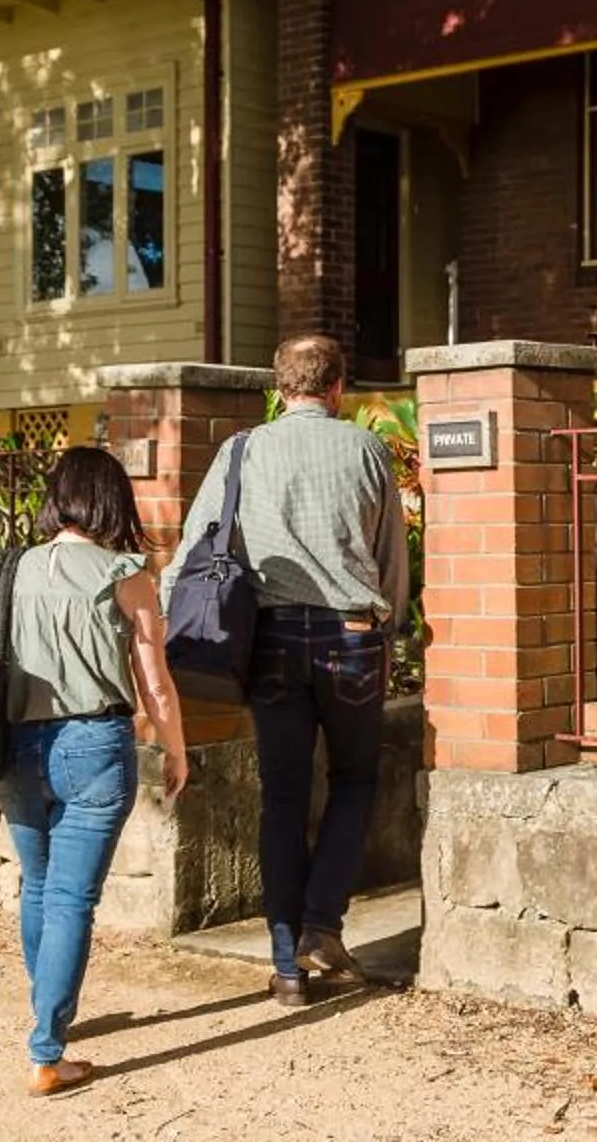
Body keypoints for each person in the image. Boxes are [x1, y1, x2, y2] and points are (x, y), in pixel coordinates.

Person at [173, 332, 409, 1006]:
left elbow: (195, 545)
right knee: (355, 779)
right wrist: (388, 621)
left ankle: (286, 967)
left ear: (280, 389)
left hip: (271, 638)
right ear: (338, 388)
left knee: (280, 796)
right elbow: (391, 553)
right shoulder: (366, 449)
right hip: (352, 634)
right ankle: (321, 925)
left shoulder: (243, 450)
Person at [0, 445, 187, 1097]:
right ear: (111, 499)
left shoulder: (14, 568)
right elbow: (155, 682)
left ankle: (46, 1008)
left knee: (38, 886)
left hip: (19, 747)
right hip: (95, 744)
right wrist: (176, 750)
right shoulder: (125, 573)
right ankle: (47, 1053)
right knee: (73, 898)